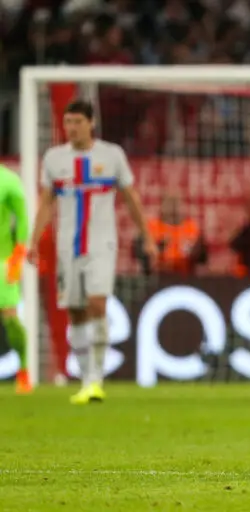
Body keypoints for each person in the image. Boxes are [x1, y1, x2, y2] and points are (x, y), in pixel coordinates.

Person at [28, 100, 158, 405]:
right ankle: (85, 377)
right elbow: (46, 202)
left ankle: (95, 379)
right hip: (66, 246)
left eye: (77, 122)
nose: (71, 128)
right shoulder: (54, 159)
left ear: (91, 123)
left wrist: (147, 236)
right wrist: (33, 241)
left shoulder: (111, 155)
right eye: (67, 122)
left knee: (97, 304)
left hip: (101, 244)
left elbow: (130, 197)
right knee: (75, 311)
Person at [0, 164, 31, 394]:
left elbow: (21, 217)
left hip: (2, 260)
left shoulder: (8, 180)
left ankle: (23, 370)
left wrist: (18, 255)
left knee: (10, 318)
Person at [135, 193, 207, 276]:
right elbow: (139, 252)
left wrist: (197, 252)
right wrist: (157, 247)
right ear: (162, 205)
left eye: (177, 203)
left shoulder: (192, 227)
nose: (173, 207)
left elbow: (203, 258)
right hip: (158, 275)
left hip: (186, 275)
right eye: (170, 202)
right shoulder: (152, 226)